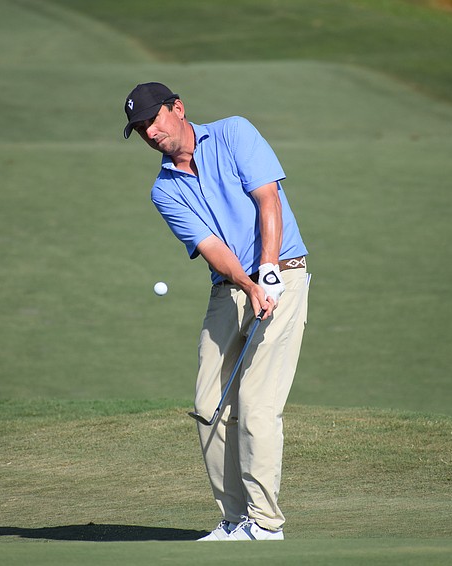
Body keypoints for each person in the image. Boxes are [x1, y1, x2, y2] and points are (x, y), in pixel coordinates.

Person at [122, 82, 310, 541]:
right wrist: (248, 283)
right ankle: (234, 519)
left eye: (153, 119)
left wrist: (267, 271)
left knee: (257, 405)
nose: (150, 132)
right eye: (140, 127)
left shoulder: (233, 133)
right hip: (229, 288)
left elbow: (269, 197)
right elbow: (213, 248)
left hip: (283, 272)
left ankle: (266, 524)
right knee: (210, 403)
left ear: (178, 109)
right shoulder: (164, 191)